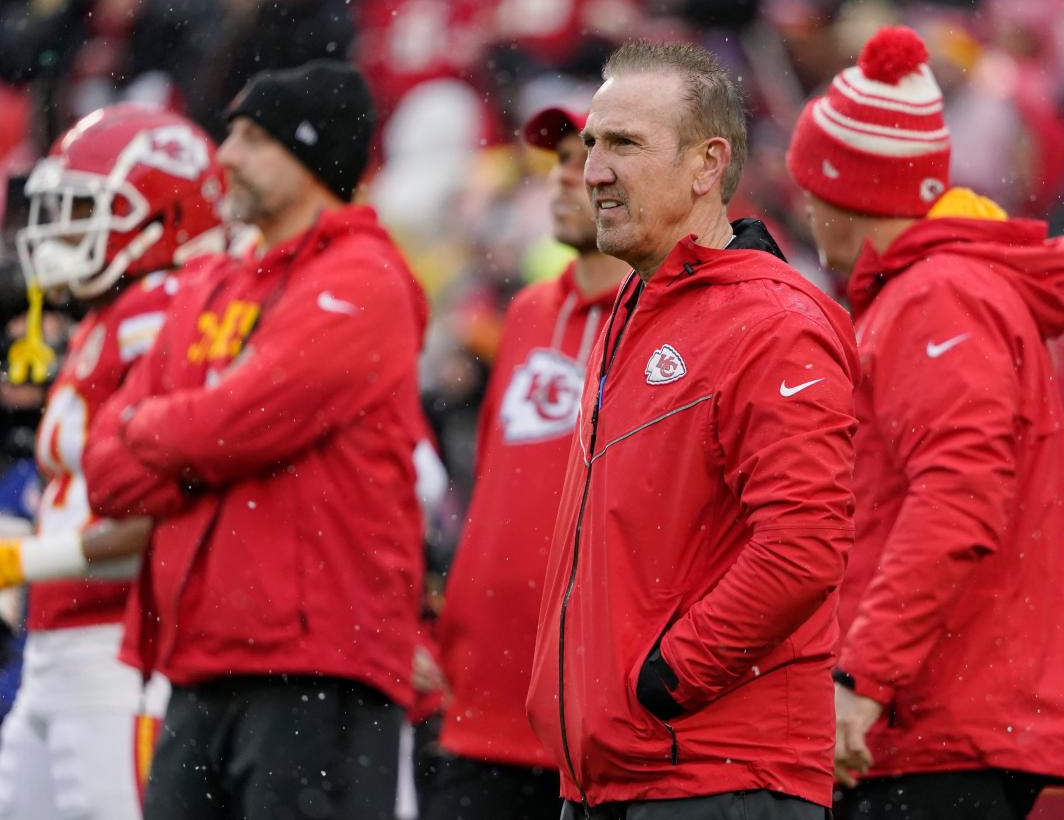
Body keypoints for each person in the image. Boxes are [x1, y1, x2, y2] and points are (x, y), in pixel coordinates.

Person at [81, 60, 430, 820]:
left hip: (315, 666)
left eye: (251, 136)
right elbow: (105, 469)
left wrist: (164, 432)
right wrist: (195, 443)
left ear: (311, 156)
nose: (226, 155)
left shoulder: (366, 277)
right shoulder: (213, 282)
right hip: (199, 661)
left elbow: (239, 425)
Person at [525, 41, 860, 820]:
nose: (594, 171)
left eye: (625, 145)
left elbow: (803, 546)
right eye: (594, 145)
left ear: (709, 165)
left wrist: (664, 681)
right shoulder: (636, 308)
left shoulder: (774, 322)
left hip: (715, 779)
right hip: (618, 776)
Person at [785, 26, 1064, 819]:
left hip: (943, 721)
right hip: (936, 718)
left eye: (810, 185)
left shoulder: (937, 295)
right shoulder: (928, 291)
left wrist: (862, 679)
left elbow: (954, 500)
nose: (802, 204)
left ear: (844, 188)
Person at [0, 104, 224, 820]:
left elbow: (164, 507)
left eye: (81, 211)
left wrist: (22, 562)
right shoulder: (104, 315)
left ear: (165, 217)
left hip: (115, 648)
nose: (57, 233)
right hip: (56, 646)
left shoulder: (165, 310)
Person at [426, 105, 631, 820]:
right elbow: (491, 497)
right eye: (561, 163)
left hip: (601, 724)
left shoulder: (675, 319)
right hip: (481, 707)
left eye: (587, 162)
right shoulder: (526, 313)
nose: (564, 180)